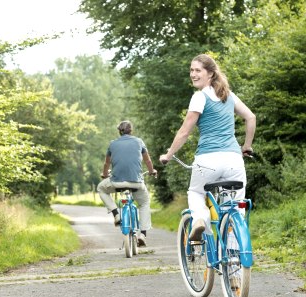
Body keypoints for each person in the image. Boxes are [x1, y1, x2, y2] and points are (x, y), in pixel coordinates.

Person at [159, 54, 256, 242]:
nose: (193, 74)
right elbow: (250, 117)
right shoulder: (228, 96)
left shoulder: (199, 97)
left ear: (210, 74)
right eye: (191, 70)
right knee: (235, 210)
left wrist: (169, 154)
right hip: (234, 161)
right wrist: (247, 146)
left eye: (198, 70)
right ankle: (235, 264)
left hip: (208, 160)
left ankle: (200, 220)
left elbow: (184, 132)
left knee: (195, 193)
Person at [97, 120, 157, 247]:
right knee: (144, 202)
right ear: (131, 130)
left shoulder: (112, 144)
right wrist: (152, 171)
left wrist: (105, 174)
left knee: (101, 188)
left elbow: (106, 163)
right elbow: (147, 160)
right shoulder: (139, 142)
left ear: (119, 131)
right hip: (136, 183)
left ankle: (116, 214)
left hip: (116, 182)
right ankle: (143, 234)